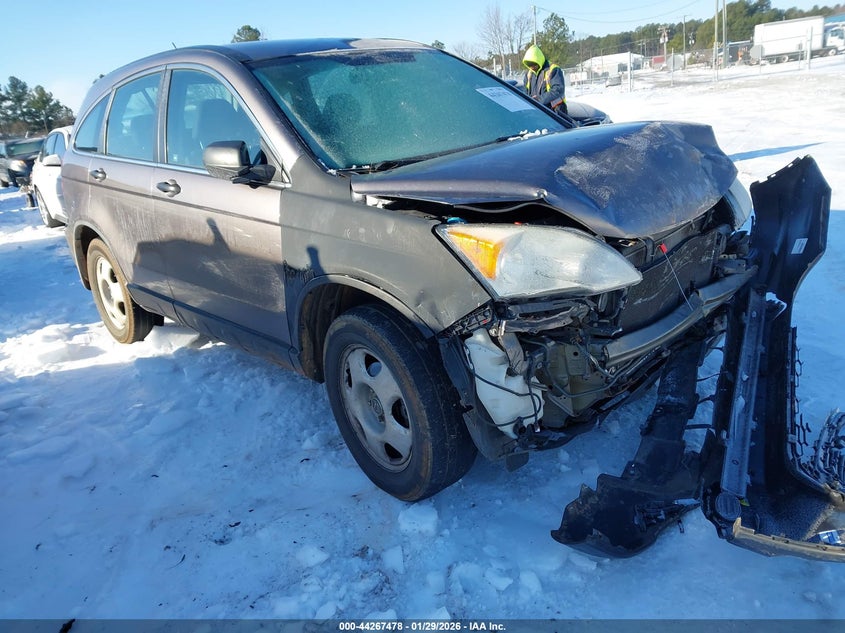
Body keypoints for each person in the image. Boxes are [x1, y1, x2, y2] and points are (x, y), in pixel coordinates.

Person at [522, 44, 567, 114]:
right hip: (538, 113)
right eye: (529, 64)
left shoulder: (553, 69)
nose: (532, 67)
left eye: (533, 64)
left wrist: (538, 100)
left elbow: (558, 89)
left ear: (538, 60)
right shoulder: (528, 74)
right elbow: (525, 92)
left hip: (556, 114)